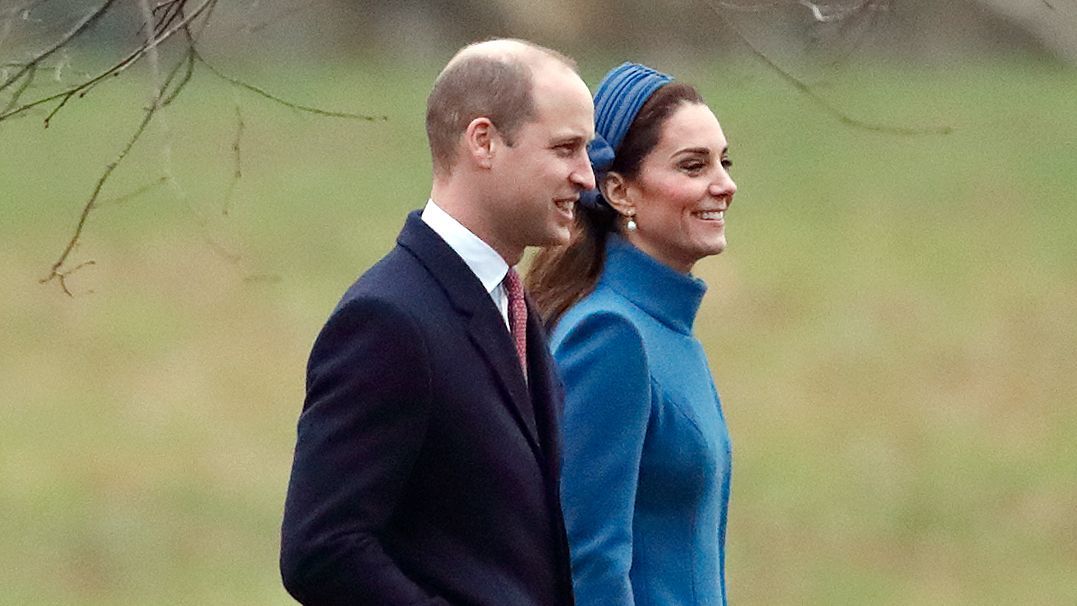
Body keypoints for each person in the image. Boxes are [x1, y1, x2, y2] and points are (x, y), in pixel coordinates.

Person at [280, 39, 595, 606]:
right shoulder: (388, 320)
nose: (587, 178)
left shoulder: (516, 307)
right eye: (566, 149)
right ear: (484, 142)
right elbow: (323, 548)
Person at [527, 62, 738, 605]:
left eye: (724, 161)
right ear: (620, 192)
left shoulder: (665, 329)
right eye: (693, 166)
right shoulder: (611, 335)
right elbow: (590, 562)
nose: (724, 184)